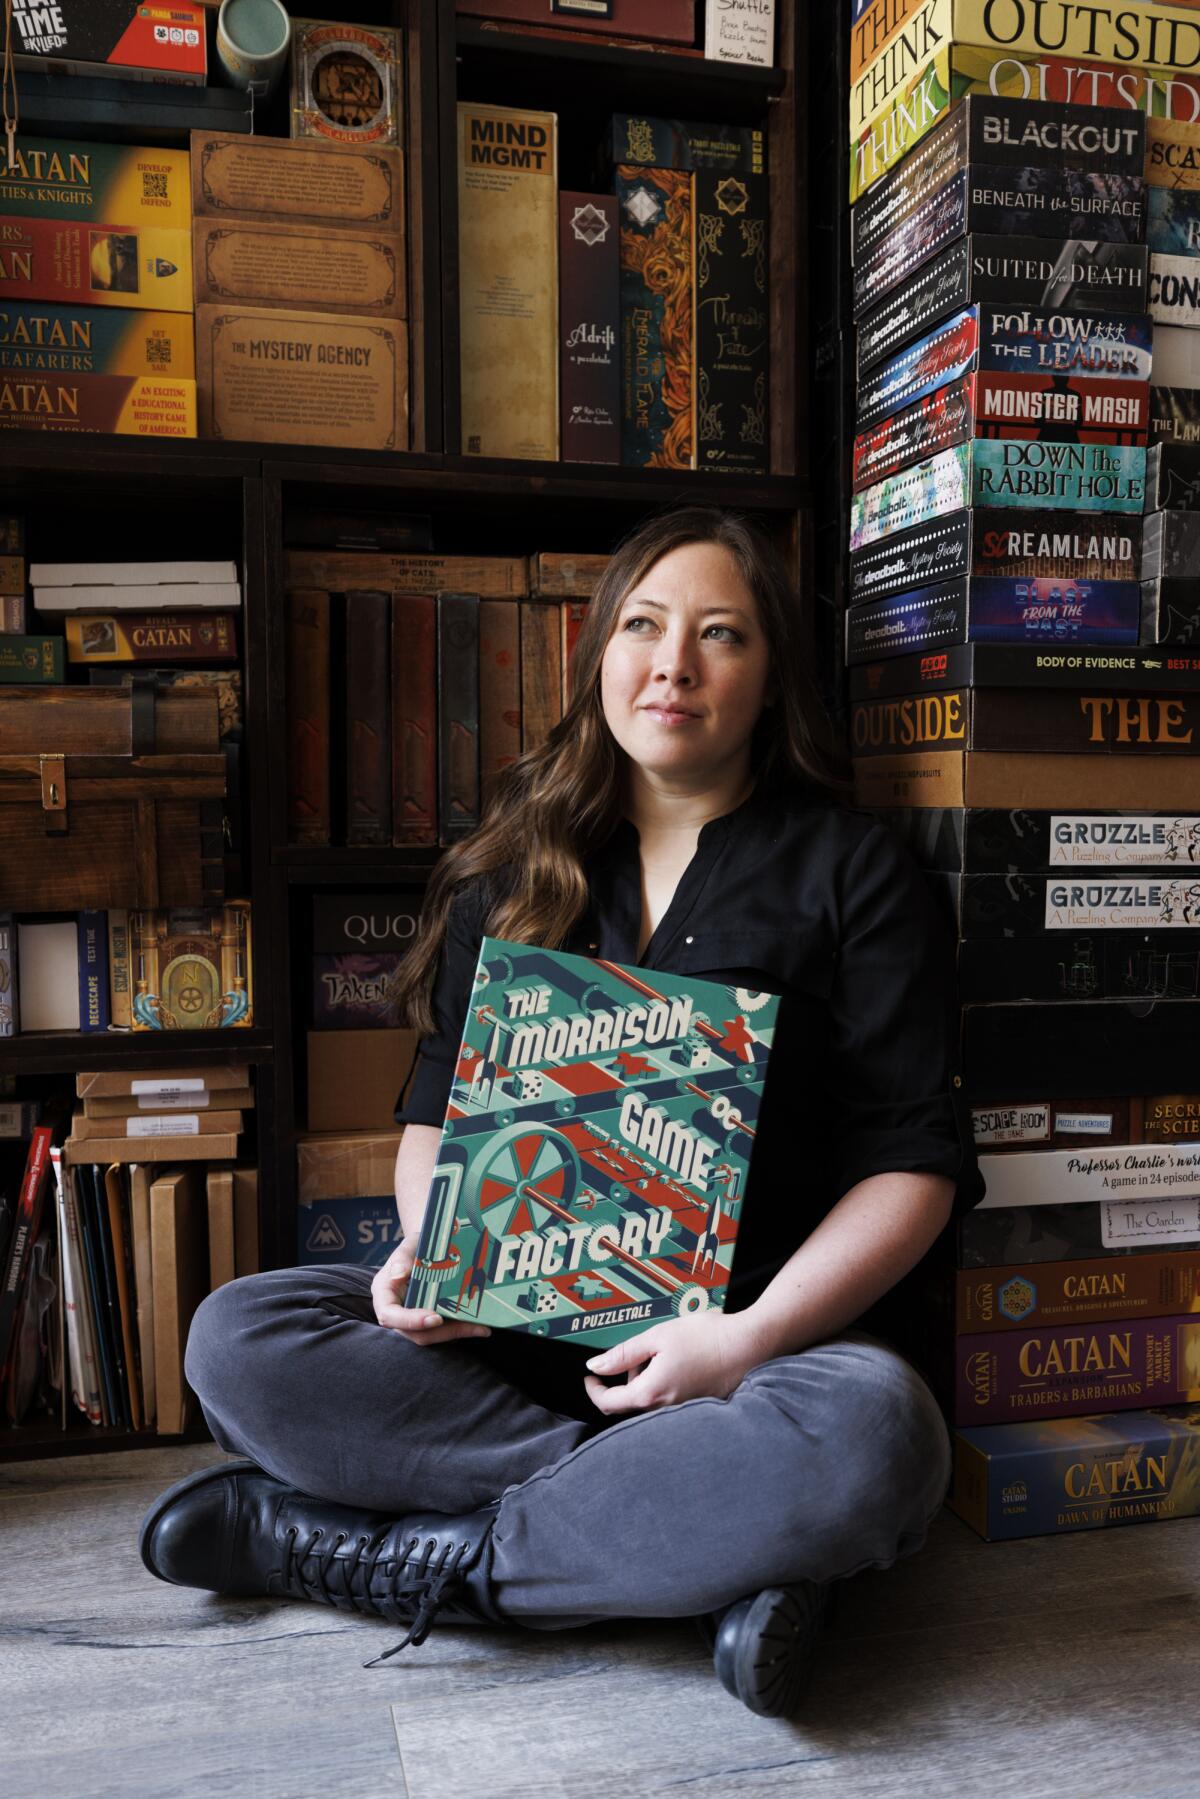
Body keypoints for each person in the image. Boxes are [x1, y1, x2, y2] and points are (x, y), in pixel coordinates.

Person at [140, 507, 980, 1719]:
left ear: (770, 673)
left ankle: (370, 1556)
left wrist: (741, 1339)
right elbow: (432, 1109)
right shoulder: (520, 868)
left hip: (749, 1365)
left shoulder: (857, 874)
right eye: (643, 624)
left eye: (721, 634)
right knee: (237, 1337)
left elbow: (915, 1165)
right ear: (599, 656)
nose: (673, 663)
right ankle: (690, 1553)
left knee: (880, 1439)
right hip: (513, 1351)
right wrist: (435, 1249)